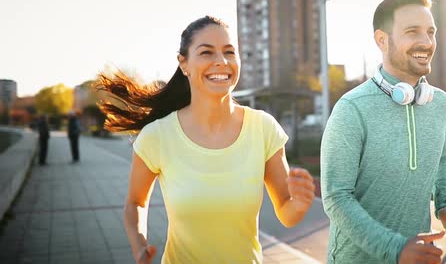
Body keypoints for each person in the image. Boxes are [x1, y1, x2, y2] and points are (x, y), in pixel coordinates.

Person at [97, 16, 315, 263]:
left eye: (229, 52)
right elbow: (135, 203)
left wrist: (298, 204)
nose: (221, 62)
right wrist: (139, 244)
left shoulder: (263, 128)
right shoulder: (157, 136)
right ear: (184, 64)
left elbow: (286, 211)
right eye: (206, 53)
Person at [320, 0, 446, 263]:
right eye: (412, 31)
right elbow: (336, 197)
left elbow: (443, 156)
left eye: (431, 32)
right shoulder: (351, 108)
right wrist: (395, 248)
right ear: (382, 40)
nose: (426, 42)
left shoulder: (440, 104)